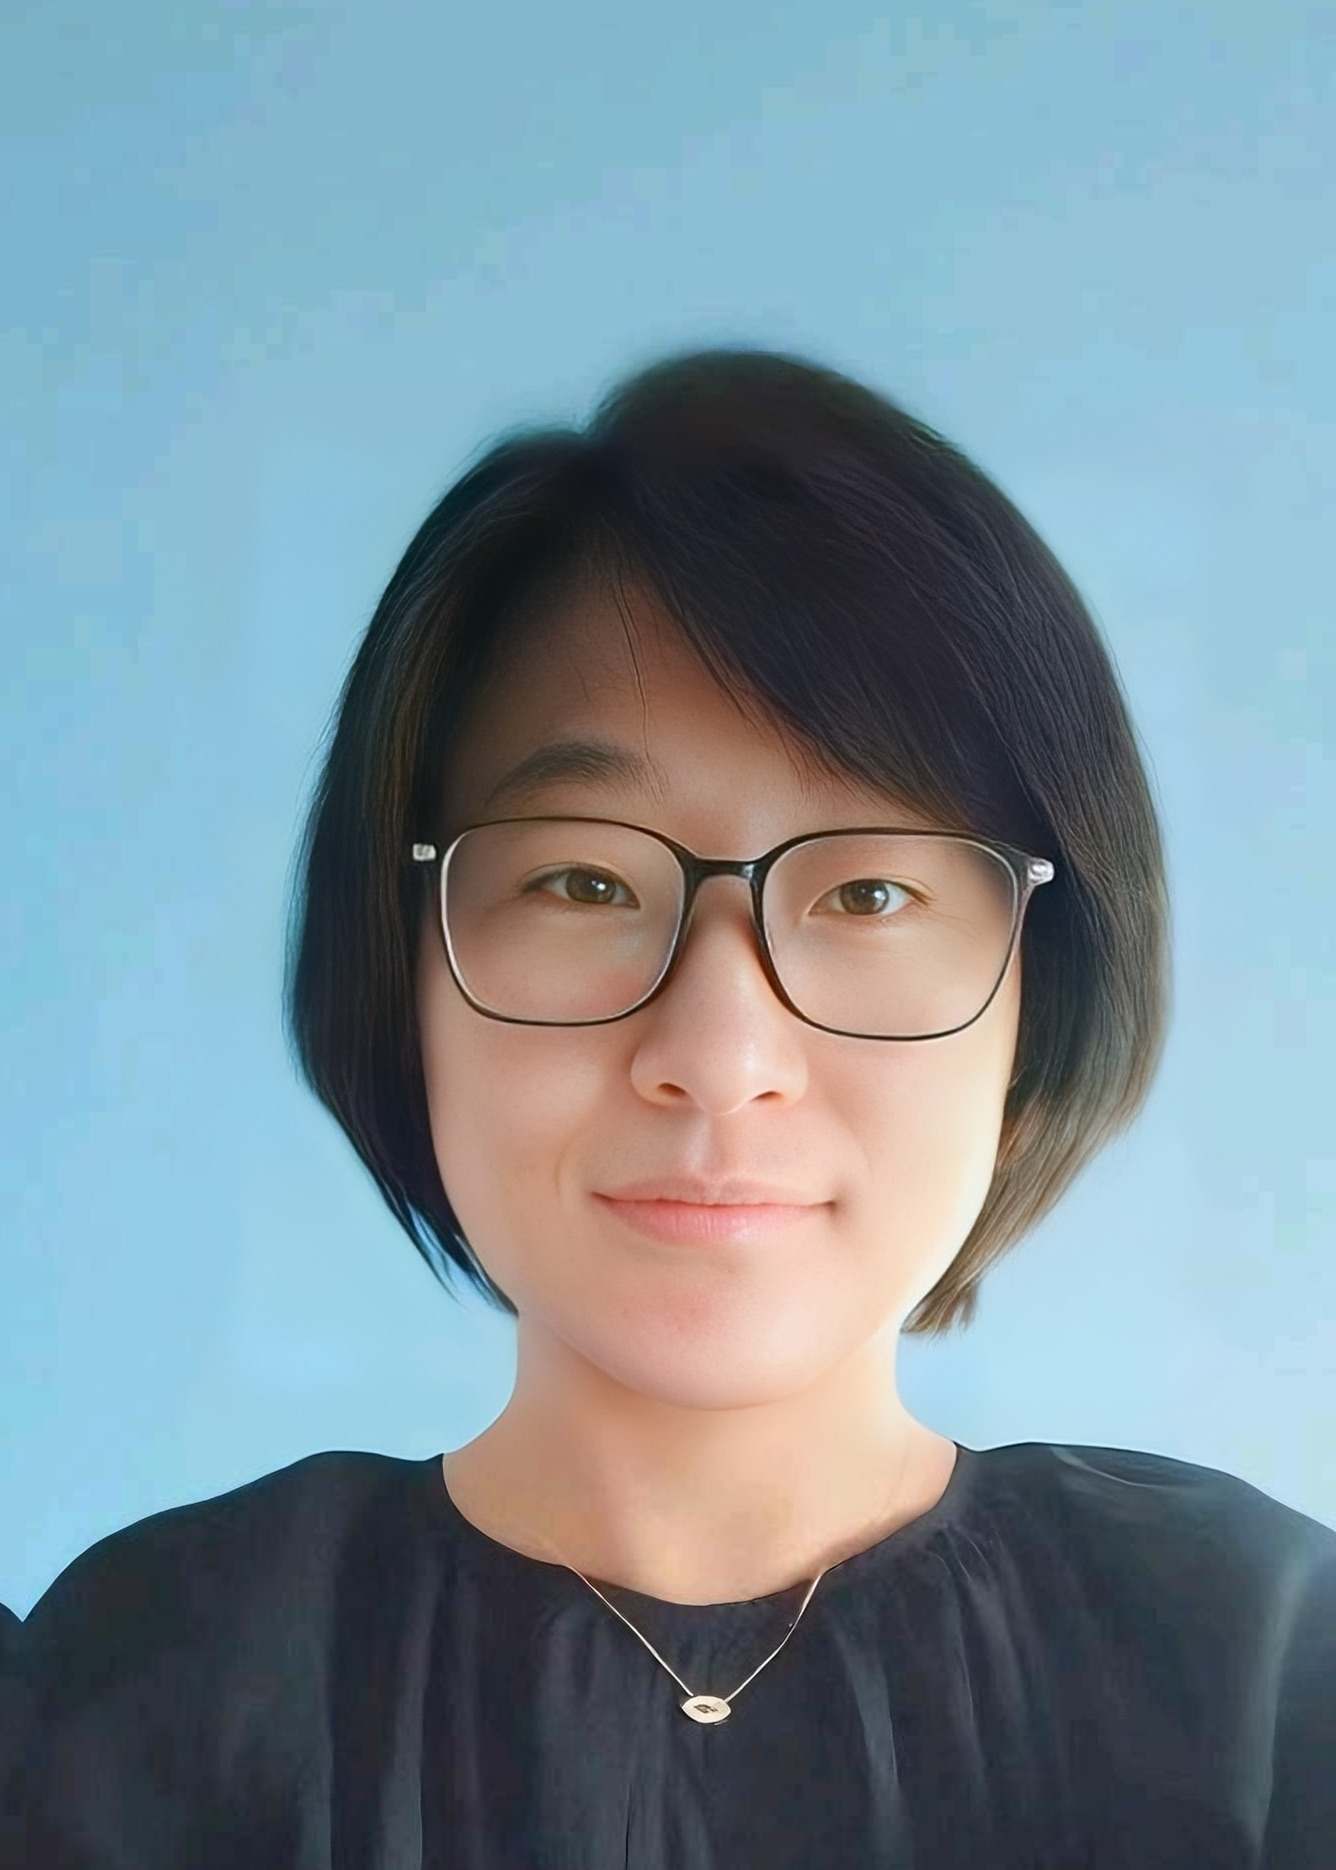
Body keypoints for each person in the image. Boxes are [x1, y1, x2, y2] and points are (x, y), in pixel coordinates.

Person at [4, 346, 1332, 1866]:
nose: (719, 1049)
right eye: (584, 880)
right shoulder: (126, 1703)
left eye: (871, 891)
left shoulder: (1266, 1685)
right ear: (399, 964)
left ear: (1049, 994)